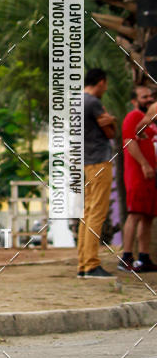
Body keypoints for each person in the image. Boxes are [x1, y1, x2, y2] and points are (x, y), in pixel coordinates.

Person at [76, 68, 116, 278]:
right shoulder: (93, 102)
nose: (106, 89)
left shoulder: (77, 101)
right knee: (97, 213)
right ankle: (91, 264)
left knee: (88, 212)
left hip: (86, 162)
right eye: (105, 84)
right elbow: (110, 132)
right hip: (99, 160)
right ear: (101, 82)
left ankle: (84, 263)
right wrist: (112, 120)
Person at [120, 85, 157, 273]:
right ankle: (126, 257)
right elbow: (129, 141)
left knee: (148, 215)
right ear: (134, 101)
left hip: (151, 176)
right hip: (138, 174)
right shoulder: (133, 116)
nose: (149, 99)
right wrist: (144, 164)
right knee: (134, 214)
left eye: (150, 96)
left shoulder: (149, 121)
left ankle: (144, 257)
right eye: (144, 97)